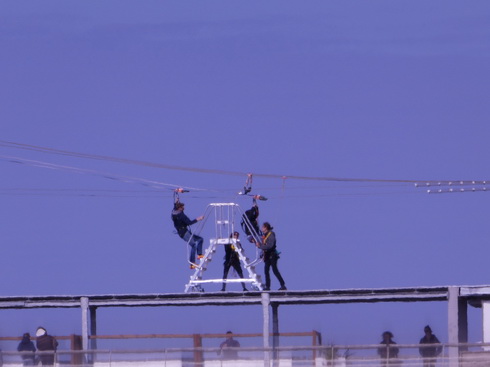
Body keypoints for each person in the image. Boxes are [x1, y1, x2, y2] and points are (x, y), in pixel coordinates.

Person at [171, 201, 204, 268]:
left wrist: (176, 201)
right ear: (180, 208)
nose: (184, 208)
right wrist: (198, 219)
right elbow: (189, 222)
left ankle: (199, 254)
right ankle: (192, 263)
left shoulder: (174, 213)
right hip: (184, 232)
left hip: (184, 231)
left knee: (200, 239)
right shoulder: (181, 215)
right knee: (193, 245)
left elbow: (175, 207)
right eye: (183, 207)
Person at [256, 222, 287, 291]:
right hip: (267, 255)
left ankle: (282, 285)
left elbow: (270, 245)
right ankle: (267, 286)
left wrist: (260, 246)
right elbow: (265, 244)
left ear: (265, 227)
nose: (261, 228)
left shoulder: (271, 234)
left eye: (262, 227)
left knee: (274, 270)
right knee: (266, 271)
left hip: (272, 255)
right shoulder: (265, 235)